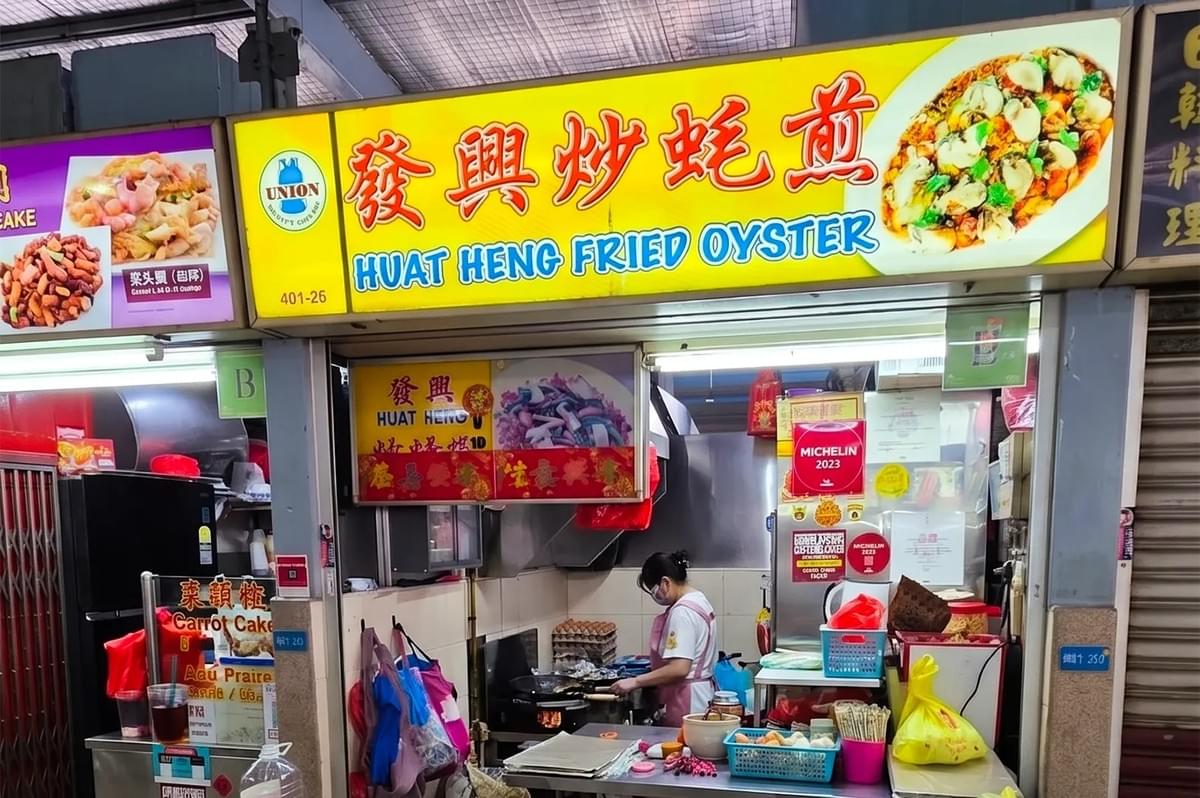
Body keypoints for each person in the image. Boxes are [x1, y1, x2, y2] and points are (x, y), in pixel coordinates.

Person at [611, 551, 717, 726]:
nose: (655, 597)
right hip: (701, 693)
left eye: (653, 591)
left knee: (682, 748)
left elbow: (679, 668)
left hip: (688, 699)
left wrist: (635, 681)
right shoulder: (699, 599)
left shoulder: (682, 612)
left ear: (665, 582)